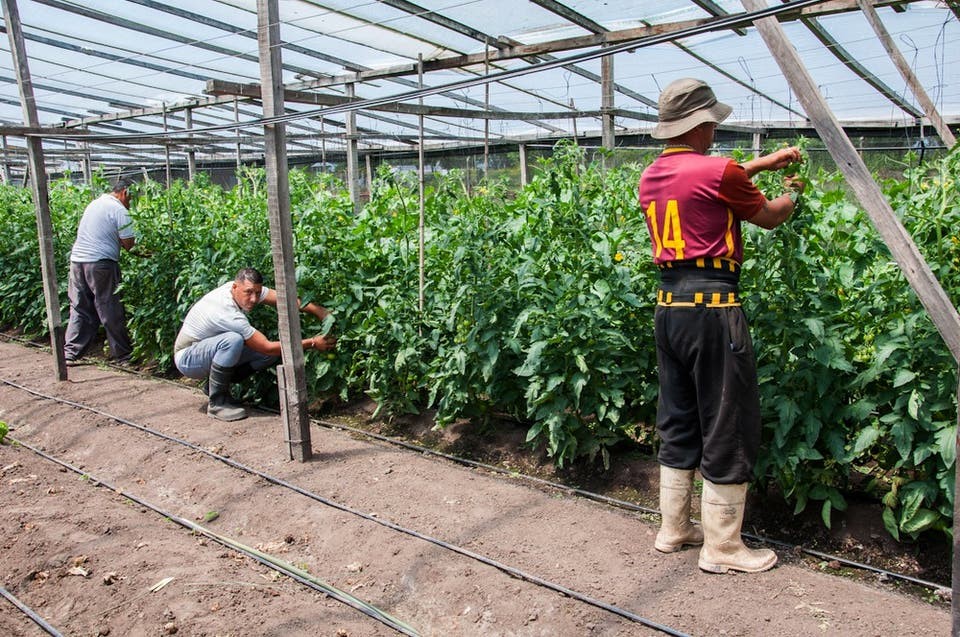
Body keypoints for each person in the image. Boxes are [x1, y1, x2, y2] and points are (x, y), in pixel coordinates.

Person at [638, 78, 804, 574]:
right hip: (714, 308)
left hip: (669, 308)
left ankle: (673, 529)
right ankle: (723, 547)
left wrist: (763, 163)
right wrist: (792, 194)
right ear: (701, 125)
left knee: (678, 417)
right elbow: (768, 216)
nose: (714, 131)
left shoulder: (651, 175)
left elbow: (710, 181)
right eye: (712, 123)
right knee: (728, 420)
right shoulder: (719, 171)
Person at [174, 267, 335, 422]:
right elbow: (267, 347)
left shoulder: (237, 288)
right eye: (248, 292)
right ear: (235, 287)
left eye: (257, 293)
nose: (254, 299)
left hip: (207, 351)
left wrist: (318, 310)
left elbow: (281, 299)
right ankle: (217, 403)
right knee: (233, 340)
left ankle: (214, 388)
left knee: (268, 354)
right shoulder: (226, 313)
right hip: (188, 358)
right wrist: (312, 342)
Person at [64, 176, 138, 364]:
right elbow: (130, 245)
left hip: (77, 262)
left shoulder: (95, 204)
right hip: (100, 264)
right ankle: (123, 356)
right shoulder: (119, 209)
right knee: (109, 307)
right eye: (131, 199)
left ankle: (71, 353)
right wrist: (150, 253)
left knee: (80, 307)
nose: (130, 205)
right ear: (125, 193)